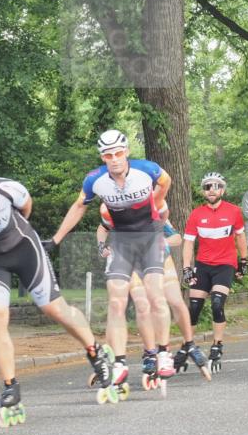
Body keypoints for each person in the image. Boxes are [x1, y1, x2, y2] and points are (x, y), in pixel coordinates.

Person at [0, 149, 115, 420]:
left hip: (24, 249)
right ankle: (11, 387)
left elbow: (26, 209)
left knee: (55, 310)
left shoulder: (8, 190)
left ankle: (95, 350)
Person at [46, 130, 175, 392]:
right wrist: (56, 240)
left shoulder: (146, 170)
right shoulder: (95, 180)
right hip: (122, 241)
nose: (114, 159)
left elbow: (167, 181)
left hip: (149, 237)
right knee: (116, 301)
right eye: (108, 155)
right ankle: (119, 362)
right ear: (102, 157)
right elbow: (79, 206)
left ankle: (163, 351)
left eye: (118, 153)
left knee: (155, 296)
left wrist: (155, 204)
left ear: (126, 151)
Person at [96, 204, 209, 383]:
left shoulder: (148, 208)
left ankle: (189, 344)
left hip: (157, 257)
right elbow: (103, 227)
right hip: (130, 260)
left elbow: (177, 238)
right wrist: (102, 246)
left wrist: (161, 242)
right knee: (141, 304)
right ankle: (149, 353)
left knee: (174, 299)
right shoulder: (114, 208)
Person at [181, 172, 248, 373]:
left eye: (216, 186)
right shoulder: (196, 214)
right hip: (203, 265)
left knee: (218, 304)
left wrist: (243, 261)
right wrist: (186, 267)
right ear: (204, 191)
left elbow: (241, 238)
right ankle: (188, 346)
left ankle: (217, 345)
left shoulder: (234, 211)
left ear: (222, 189)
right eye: (207, 186)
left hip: (225, 265)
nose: (212, 189)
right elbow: (188, 243)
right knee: (193, 308)